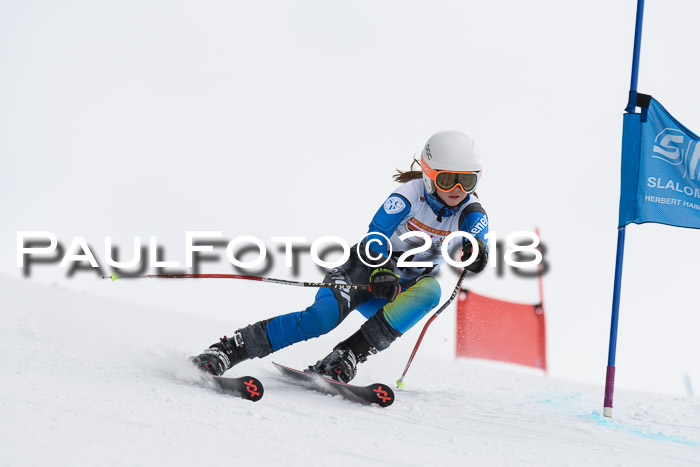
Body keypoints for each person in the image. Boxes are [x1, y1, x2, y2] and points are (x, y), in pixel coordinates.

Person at [191, 130, 490, 383]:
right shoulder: (408, 195)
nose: (458, 189)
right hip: (363, 272)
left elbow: (477, 237)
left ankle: (347, 355)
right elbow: (376, 234)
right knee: (320, 319)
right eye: (448, 179)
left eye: (468, 181)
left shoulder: (471, 210)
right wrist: (380, 269)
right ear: (428, 175)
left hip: (398, 290)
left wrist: (476, 252)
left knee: (431, 290)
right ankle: (230, 350)